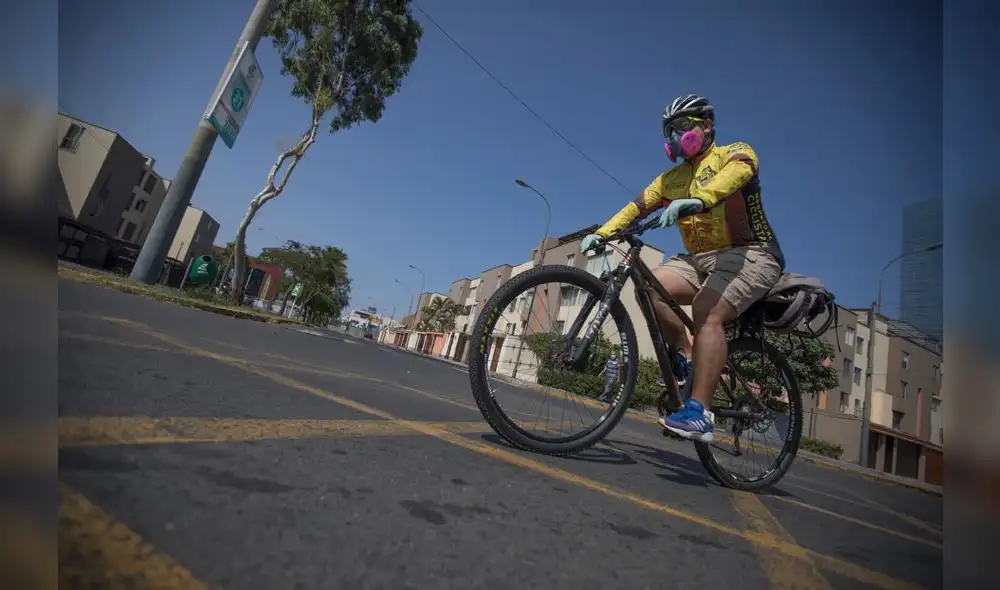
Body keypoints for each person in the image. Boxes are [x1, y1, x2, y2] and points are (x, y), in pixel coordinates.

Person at [579, 94, 784, 443]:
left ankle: (701, 414)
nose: (675, 136)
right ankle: (687, 357)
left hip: (751, 254)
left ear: (706, 126)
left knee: (706, 308)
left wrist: (701, 198)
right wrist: (602, 232)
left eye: (683, 127)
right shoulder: (670, 180)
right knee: (651, 285)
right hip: (700, 260)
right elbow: (635, 207)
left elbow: (738, 173)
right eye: (669, 130)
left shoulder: (734, 153)